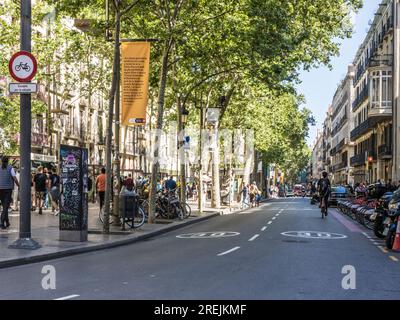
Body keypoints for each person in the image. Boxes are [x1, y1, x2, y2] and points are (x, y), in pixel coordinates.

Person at [0, 156, 19, 229]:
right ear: (8, 161)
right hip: (8, 190)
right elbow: (14, 178)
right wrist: (19, 185)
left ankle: (7, 222)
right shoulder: (10, 168)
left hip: (0, 189)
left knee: (5, 206)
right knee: (5, 207)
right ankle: (1, 222)